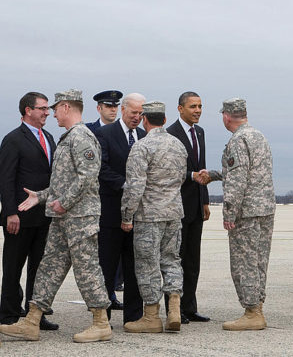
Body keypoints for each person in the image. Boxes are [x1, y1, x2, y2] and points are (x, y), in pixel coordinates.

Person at [0, 90, 112, 343]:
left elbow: (88, 176)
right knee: (49, 268)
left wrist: (65, 201)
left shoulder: (81, 136)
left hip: (80, 218)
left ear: (65, 107)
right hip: (63, 218)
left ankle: (101, 322)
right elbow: (63, 183)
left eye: (55, 109)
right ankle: (31, 321)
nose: (52, 114)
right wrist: (40, 196)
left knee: (87, 270)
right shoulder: (67, 137)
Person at [196, 98, 275, 330]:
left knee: (244, 263)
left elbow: (238, 180)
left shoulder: (238, 141)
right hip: (265, 209)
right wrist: (214, 174)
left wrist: (229, 212)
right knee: (259, 261)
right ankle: (257, 306)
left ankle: (252, 312)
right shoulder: (258, 136)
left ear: (226, 116)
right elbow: (245, 171)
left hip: (246, 212)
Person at [120, 101, 187, 334]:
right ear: (165, 120)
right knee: (171, 260)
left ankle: (151, 316)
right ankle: (175, 309)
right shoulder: (178, 145)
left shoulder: (142, 147)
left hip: (149, 215)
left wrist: (127, 216)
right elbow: (180, 180)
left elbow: (134, 186)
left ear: (145, 120)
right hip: (174, 213)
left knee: (147, 265)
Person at [0, 92, 58, 331]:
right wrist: (10, 213)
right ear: (27, 110)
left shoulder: (50, 137)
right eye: (42, 108)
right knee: (13, 266)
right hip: (20, 217)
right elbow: (6, 178)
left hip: (44, 216)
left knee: (40, 268)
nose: (47, 113)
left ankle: (35, 314)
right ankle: (9, 314)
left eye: (47, 109)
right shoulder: (13, 139)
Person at [95, 93, 145, 324]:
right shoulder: (105, 133)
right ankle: (102, 317)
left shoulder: (144, 137)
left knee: (135, 267)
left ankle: (133, 317)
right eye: (133, 112)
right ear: (123, 110)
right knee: (106, 266)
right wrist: (127, 185)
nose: (137, 117)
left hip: (138, 214)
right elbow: (101, 168)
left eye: (141, 113)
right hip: (112, 211)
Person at [166, 91, 210, 323]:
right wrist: (191, 176)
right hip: (177, 206)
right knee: (177, 259)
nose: (198, 111)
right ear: (180, 108)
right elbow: (168, 171)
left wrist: (205, 201)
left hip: (196, 206)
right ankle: (175, 309)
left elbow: (202, 168)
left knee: (193, 260)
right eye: (193, 106)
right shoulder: (170, 134)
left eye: (200, 106)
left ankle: (190, 307)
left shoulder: (200, 132)